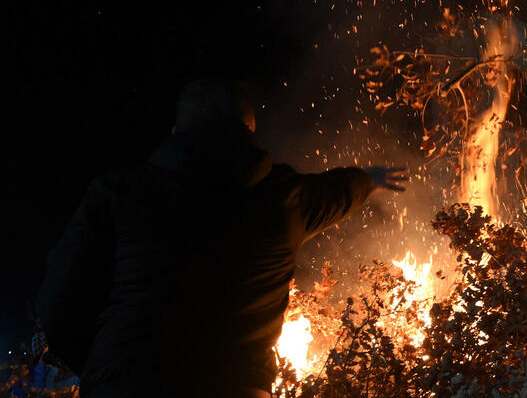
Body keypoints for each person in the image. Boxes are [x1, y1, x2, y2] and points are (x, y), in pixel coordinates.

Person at [36, 79, 407, 397]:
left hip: (126, 385)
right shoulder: (284, 198)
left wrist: (107, 364)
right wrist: (370, 179)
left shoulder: (118, 193)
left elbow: (58, 298)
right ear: (248, 131)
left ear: (175, 132)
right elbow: (337, 191)